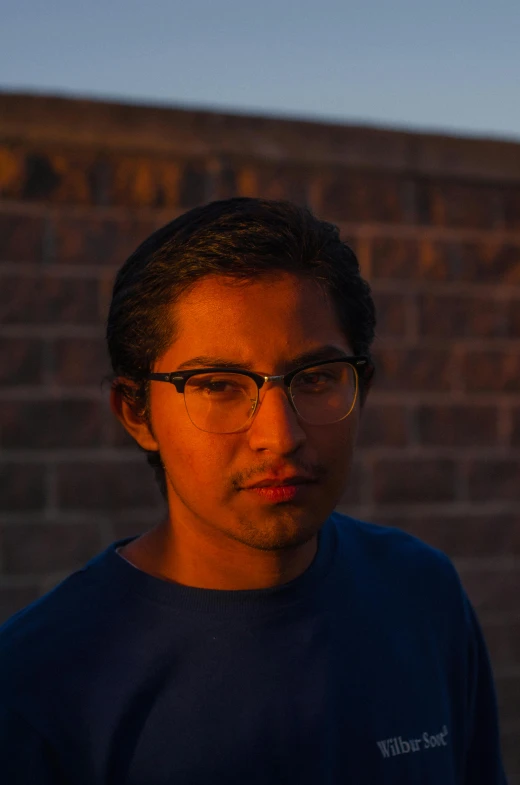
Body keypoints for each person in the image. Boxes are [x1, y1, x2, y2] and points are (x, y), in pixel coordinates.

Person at [0, 198, 507, 784]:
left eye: (315, 379)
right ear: (136, 413)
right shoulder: (38, 684)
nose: (280, 436)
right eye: (218, 385)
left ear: (361, 388)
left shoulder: (424, 596)